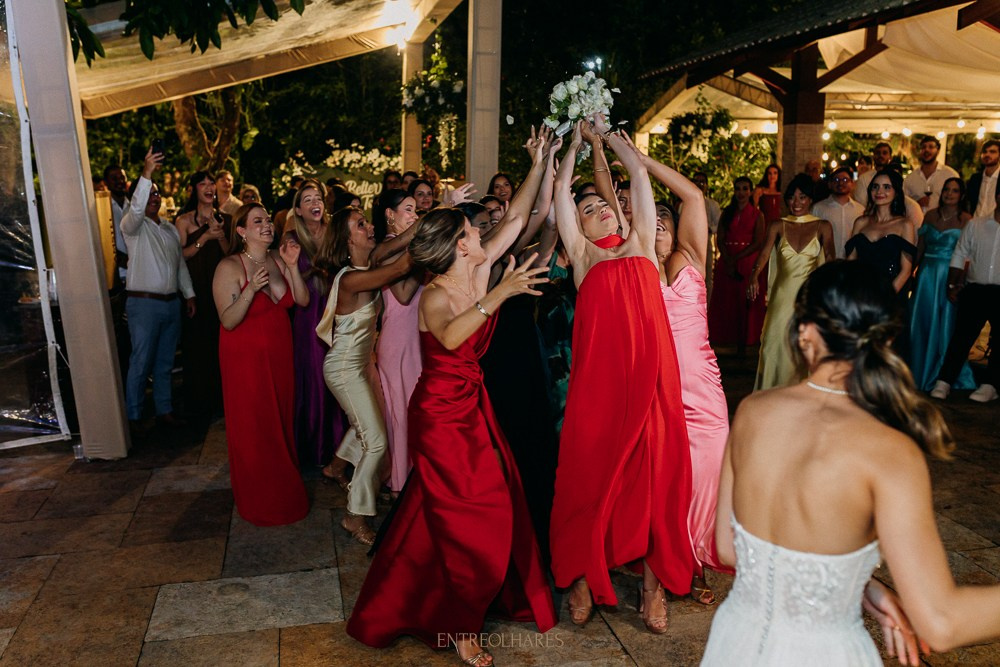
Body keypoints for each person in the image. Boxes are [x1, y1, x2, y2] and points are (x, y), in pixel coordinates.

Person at [702, 260, 1000, 666]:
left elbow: (728, 549)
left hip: (735, 640)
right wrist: (842, 584)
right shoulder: (889, 451)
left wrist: (856, 585)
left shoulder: (753, 412)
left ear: (805, 333)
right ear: (887, 338)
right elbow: (940, 622)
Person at [346, 131, 556, 666]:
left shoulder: (477, 272)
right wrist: (501, 296)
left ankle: (412, 598)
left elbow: (514, 221)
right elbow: (450, 336)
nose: (483, 228)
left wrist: (538, 163)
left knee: (447, 514)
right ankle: (461, 626)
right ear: (460, 244)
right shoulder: (436, 294)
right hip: (440, 416)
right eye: (472, 227)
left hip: (474, 408)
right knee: (469, 517)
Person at [549, 118, 694, 634]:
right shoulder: (584, 259)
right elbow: (562, 192)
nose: (600, 209)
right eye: (589, 210)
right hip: (600, 393)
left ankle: (654, 590)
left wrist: (607, 139)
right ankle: (583, 577)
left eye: (603, 204)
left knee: (657, 484)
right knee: (587, 481)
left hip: (654, 385)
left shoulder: (640, 246)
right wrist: (569, 143)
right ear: (577, 231)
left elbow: (636, 175)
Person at [638, 142, 733, 606]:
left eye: (664, 218)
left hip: (703, 390)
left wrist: (639, 161)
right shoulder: (633, 267)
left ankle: (695, 558)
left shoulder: (692, 258)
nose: (657, 222)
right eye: (649, 218)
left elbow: (693, 196)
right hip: (657, 391)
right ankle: (659, 571)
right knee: (662, 480)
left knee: (707, 477)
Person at [315, 207, 416, 544]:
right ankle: (354, 516)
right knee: (376, 441)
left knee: (370, 427)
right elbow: (403, 264)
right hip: (344, 369)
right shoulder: (351, 278)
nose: (369, 226)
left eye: (367, 221)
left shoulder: (370, 261)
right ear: (348, 240)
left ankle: (336, 467)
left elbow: (401, 241)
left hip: (363, 364)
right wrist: (441, 229)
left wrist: (439, 210)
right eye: (361, 225)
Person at [213, 202, 310, 526]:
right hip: (245, 362)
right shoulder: (229, 266)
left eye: (268, 219)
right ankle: (259, 498)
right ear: (241, 231)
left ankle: (284, 488)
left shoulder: (277, 258)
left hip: (280, 356)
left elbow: (299, 300)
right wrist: (251, 289)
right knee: (255, 427)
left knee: (280, 423)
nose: (267, 224)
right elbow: (228, 321)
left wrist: (293, 266)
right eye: (258, 221)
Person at [121, 149, 196, 436]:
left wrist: (188, 294)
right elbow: (137, 208)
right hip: (144, 303)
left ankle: (164, 410)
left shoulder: (168, 229)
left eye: (156, 194)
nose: (154, 197)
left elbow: (178, 265)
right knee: (141, 360)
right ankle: (135, 414)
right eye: (149, 193)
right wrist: (147, 171)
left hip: (170, 303)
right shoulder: (132, 226)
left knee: (165, 361)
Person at [283, 180, 348, 470]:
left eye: (317, 198)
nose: (314, 203)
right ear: (298, 209)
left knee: (341, 376)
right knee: (314, 377)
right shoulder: (292, 239)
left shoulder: (337, 232)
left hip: (340, 310)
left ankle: (339, 447)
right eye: (307, 200)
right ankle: (314, 448)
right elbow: (299, 295)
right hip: (310, 317)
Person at [750, 174, 835, 391]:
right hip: (781, 295)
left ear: (811, 200)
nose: (796, 203)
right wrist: (753, 278)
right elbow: (763, 256)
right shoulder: (778, 225)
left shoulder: (823, 226)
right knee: (772, 346)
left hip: (808, 298)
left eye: (802, 197)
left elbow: (830, 261)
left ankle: (802, 398)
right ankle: (768, 396)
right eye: (792, 197)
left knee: (803, 347)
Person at [373, 189, 424, 495]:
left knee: (413, 409)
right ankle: (399, 481)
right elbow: (403, 296)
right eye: (408, 209)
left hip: (416, 337)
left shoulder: (408, 249)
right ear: (389, 215)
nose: (415, 216)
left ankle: (414, 475)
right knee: (401, 413)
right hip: (398, 339)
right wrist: (425, 257)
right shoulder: (387, 249)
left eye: (416, 210)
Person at [930, 186, 1000, 403]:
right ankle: (944, 381)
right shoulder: (977, 224)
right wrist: (952, 283)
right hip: (975, 288)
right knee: (961, 337)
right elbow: (960, 252)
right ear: (998, 196)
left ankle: (990, 384)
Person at [908, 177, 975, 392]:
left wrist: (960, 282)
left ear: (961, 195)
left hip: (950, 275)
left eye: (955, 191)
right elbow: (920, 248)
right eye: (946, 190)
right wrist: (911, 273)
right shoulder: (929, 216)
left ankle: (943, 374)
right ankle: (918, 369)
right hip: (927, 274)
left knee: (947, 324)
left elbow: (968, 255)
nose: (949, 194)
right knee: (923, 321)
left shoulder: (966, 220)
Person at [175, 171, 230, 420]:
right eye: (203, 184)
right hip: (195, 288)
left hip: (221, 286)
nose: (209, 188)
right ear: (193, 189)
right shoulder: (184, 220)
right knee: (197, 345)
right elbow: (180, 256)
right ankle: (199, 403)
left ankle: (222, 399)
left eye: (211, 184)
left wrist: (218, 237)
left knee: (221, 345)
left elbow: (232, 254)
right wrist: (204, 237)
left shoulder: (226, 219)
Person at [707, 177, 767, 354]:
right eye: (738, 188)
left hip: (747, 261)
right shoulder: (727, 212)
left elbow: (758, 242)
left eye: (745, 189)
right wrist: (727, 258)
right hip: (727, 260)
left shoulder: (758, 215)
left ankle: (745, 342)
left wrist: (738, 257)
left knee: (745, 301)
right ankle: (727, 340)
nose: (741, 192)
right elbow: (721, 238)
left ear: (750, 191)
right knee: (726, 301)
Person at [846, 170, 917, 295]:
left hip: (890, 295)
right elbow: (851, 263)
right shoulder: (860, 222)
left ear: (896, 192)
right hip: (861, 292)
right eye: (875, 186)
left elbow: (906, 271)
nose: (879, 191)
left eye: (886, 187)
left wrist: (884, 299)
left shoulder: (905, 225)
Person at [811, 166, 864, 259]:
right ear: (829, 184)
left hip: (852, 264)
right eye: (836, 179)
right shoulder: (818, 208)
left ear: (852, 184)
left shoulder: (860, 210)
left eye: (845, 179)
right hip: (825, 263)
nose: (840, 183)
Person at [903, 136, 959, 213]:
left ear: (938, 150)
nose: (927, 150)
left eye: (931, 147)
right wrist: (917, 204)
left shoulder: (950, 175)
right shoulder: (911, 178)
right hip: (917, 222)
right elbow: (904, 203)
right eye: (923, 147)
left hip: (941, 222)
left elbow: (958, 201)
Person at [964, 139, 1000, 219]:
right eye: (984, 152)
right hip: (975, 224)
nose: (987, 154)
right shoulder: (975, 178)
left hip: (996, 226)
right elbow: (968, 201)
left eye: (992, 152)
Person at [854, 142, 893, 207]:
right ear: (874, 156)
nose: (881, 156)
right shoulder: (864, 178)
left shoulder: (896, 178)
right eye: (878, 153)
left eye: (884, 153)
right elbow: (861, 204)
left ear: (890, 157)